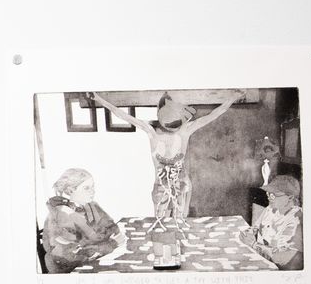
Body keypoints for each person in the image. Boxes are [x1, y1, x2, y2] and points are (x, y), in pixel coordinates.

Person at [89, 90, 246, 221]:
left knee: (181, 223)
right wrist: (99, 99)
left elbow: (214, 114)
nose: (173, 128)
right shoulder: (151, 132)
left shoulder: (185, 130)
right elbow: (122, 115)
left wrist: (232, 97)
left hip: (182, 185)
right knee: (161, 224)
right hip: (160, 187)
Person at [42, 168, 125, 274]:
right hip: (68, 272)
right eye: (86, 188)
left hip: (93, 261)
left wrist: (94, 243)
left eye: (93, 186)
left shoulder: (91, 205)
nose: (93, 191)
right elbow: (72, 255)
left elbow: (113, 228)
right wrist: (110, 244)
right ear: (70, 190)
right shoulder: (62, 215)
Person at [239, 175, 303, 270]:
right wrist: (250, 232)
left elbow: (283, 258)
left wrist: (253, 244)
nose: (269, 197)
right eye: (268, 193)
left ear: (290, 197)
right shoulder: (270, 209)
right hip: (263, 260)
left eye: (273, 195)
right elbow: (256, 227)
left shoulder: (296, 219)